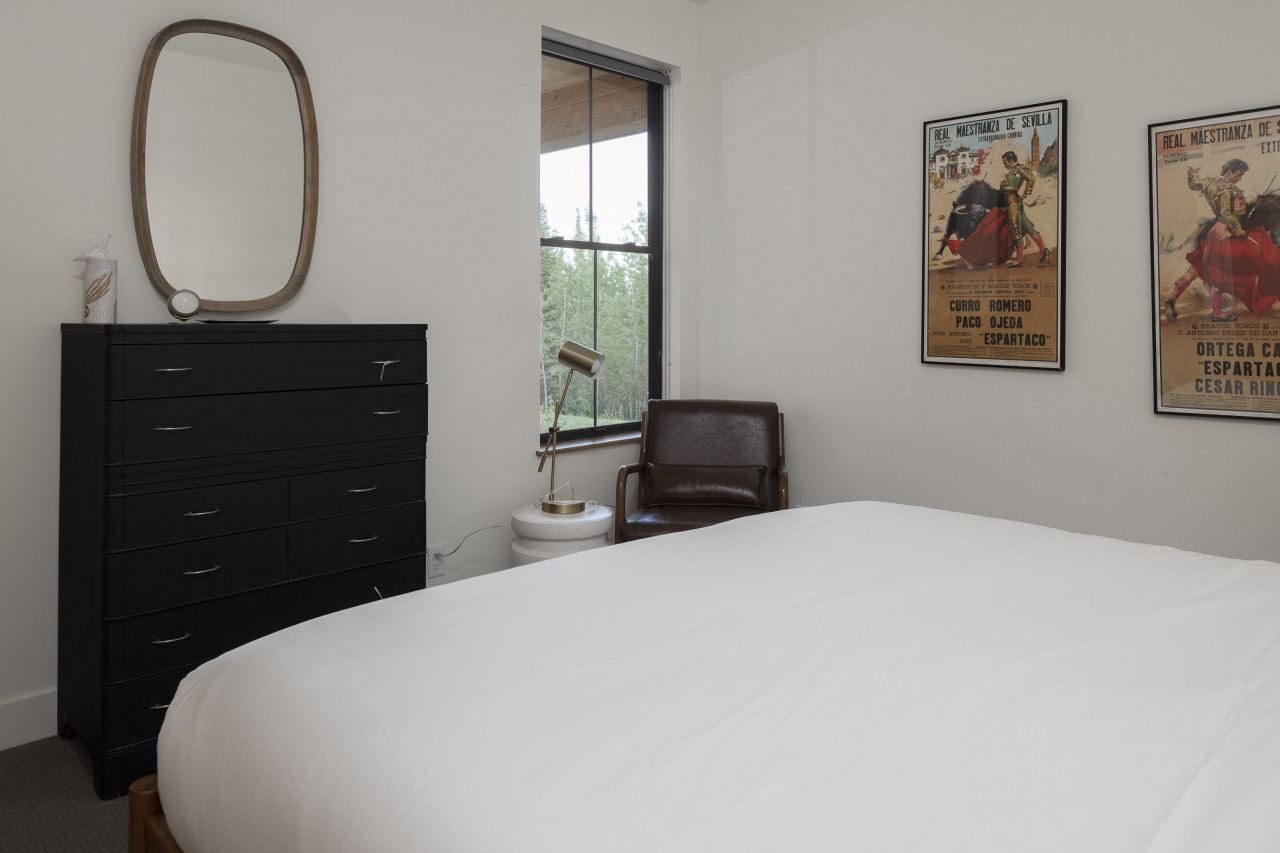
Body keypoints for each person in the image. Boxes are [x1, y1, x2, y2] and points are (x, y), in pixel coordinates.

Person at [1165, 158, 1249, 322]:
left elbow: (1194, 184)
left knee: (1194, 270)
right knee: (1217, 272)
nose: (1240, 178)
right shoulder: (1228, 189)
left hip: (1208, 231)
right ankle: (1217, 312)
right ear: (1229, 172)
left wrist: (1193, 174)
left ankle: (1171, 300)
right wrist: (1237, 229)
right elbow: (1226, 212)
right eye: (1239, 174)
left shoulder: (1209, 182)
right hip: (1221, 231)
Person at [998, 151, 1049, 268]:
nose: (1004, 165)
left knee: (1016, 230)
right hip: (1011, 202)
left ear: (1011, 161)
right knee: (1029, 227)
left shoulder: (1019, 169)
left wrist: (1025, 194)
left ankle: (1019, 260)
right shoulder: (1010, 171)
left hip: (1014, 203)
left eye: (1005, 163)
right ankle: (1044, 249)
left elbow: (1031, 178)